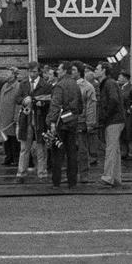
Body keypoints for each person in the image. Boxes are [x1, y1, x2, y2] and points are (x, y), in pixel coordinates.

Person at [47, 62, 84, 190]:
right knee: (72, 153)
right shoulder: (76, 85)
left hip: (60, 123)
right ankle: (72, 182)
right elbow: (80, 106)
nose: (57, 71)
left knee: (57, 153)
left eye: (59, 68)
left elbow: (55, 105)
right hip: (72, 121)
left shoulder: (59, 86)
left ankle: (56, 182)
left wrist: (52, 122)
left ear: (64, 71)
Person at [97, 62, 126, 187]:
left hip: (113, 120)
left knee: (110, 149)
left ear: (103, 71)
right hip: (117, 119)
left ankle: (108, 177)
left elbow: (113, 100)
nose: (95, 71)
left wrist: (105, 116)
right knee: (115, 149)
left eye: (97, 69)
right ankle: (116, 177)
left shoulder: (108, 84)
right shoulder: (110, 83)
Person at [0, 63, 22, 168]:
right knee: (5, 138)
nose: (6, 75)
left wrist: (16, 116)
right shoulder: (5, 85)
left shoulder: (18, 86)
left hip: (11, 116)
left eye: (9, 73)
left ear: (14, 75)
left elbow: (18, 103)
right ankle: (8, 157)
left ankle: (15, 158)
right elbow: (0, 100)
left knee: (14, 139)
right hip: (3, 115)